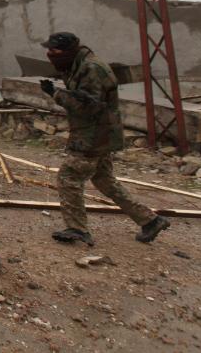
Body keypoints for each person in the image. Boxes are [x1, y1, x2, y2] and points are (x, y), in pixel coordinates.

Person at [40, 32, 170, 246]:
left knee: (68, 177)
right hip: (96, 133)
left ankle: (77, 229)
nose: (49, 55)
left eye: (54, 51)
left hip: (94, 135)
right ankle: (150, 220)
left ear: (67, 50)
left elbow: (89, 106)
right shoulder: (78, 64)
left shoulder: (91, 69)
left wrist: (56, 94)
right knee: (104, 181)